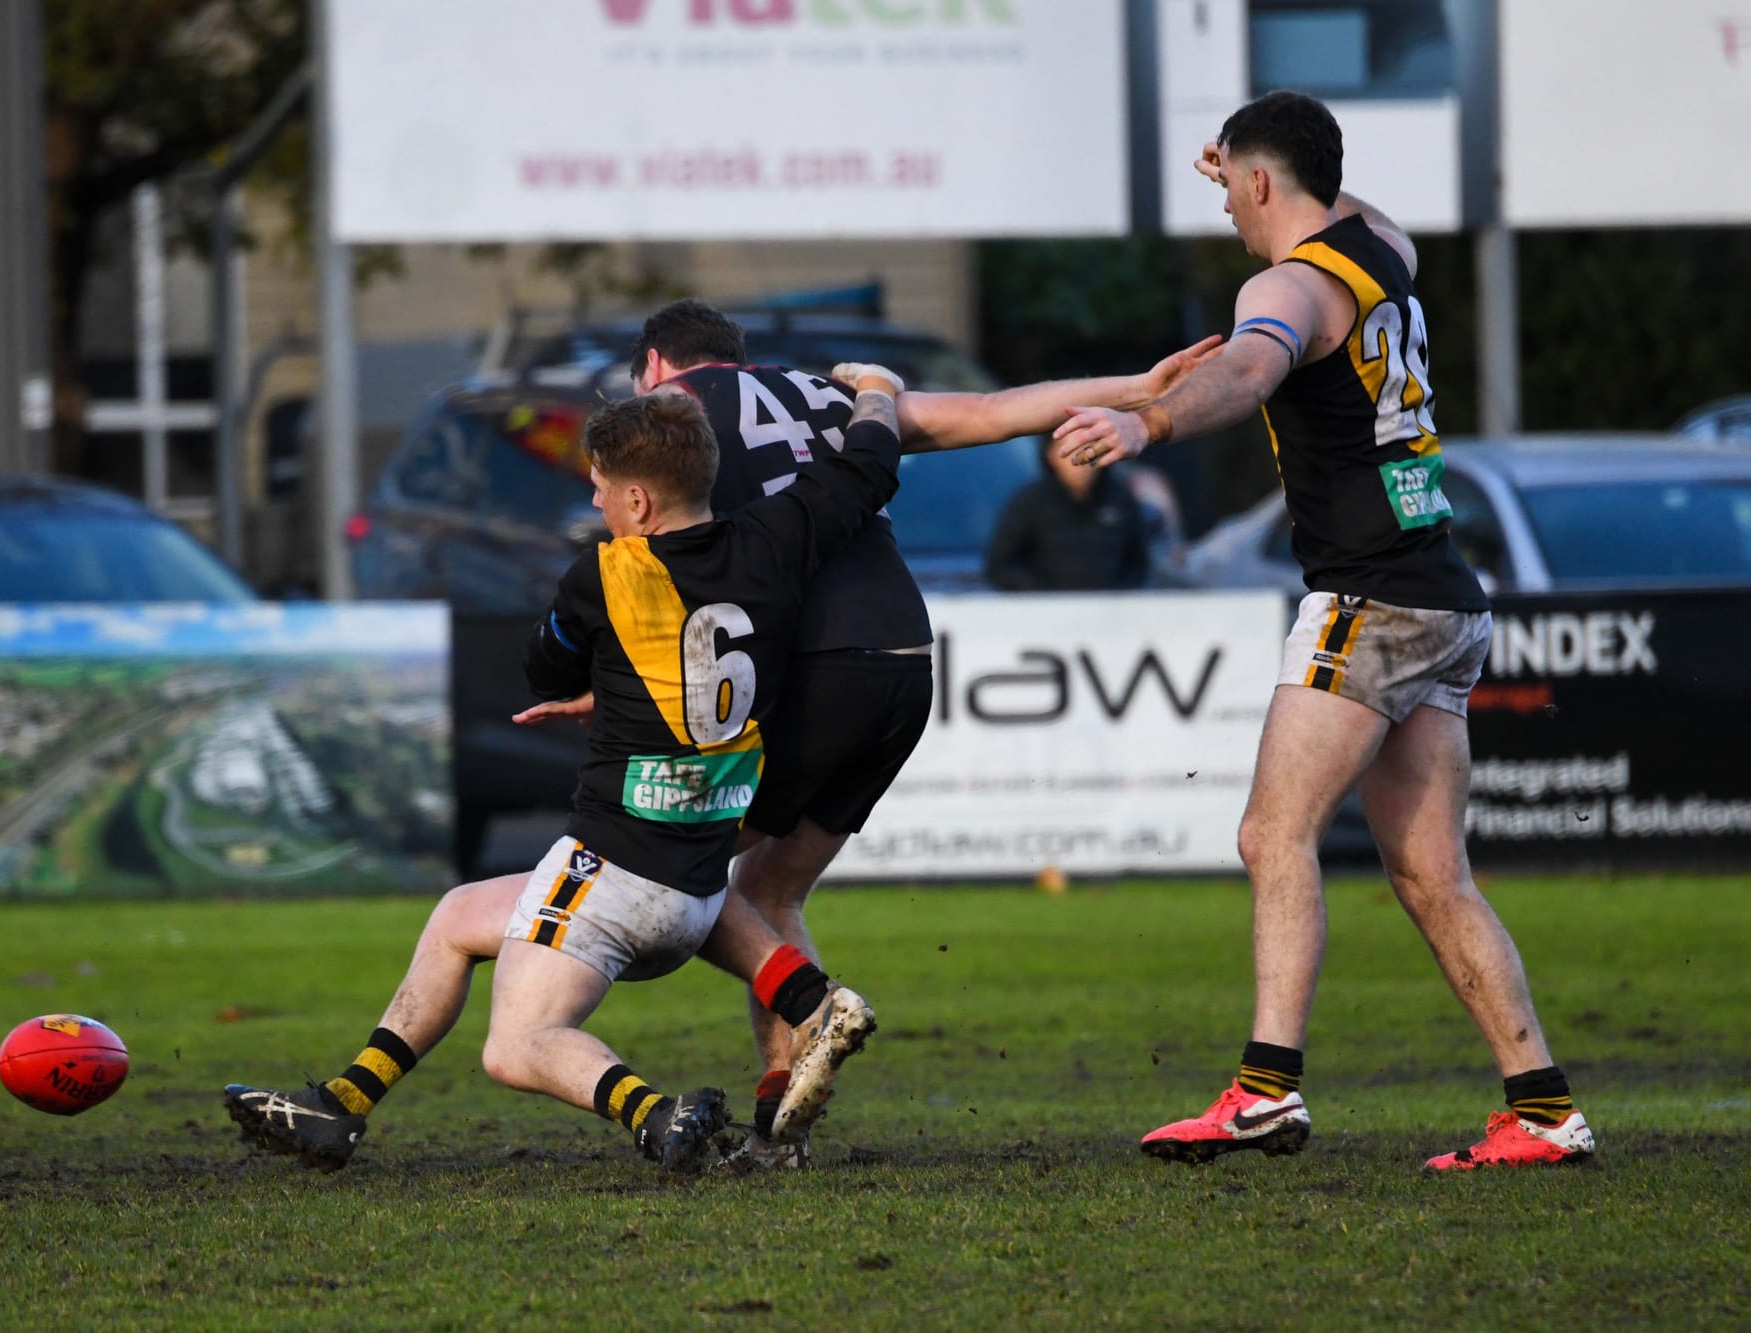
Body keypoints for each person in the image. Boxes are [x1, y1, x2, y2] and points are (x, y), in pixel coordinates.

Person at [1053, 91, 1592, 1170]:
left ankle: (1264, 1090)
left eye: (1236, 196)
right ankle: (1541, 1109)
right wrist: (1274, 170)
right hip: (1441, 590)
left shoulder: (1285, 284)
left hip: (1369, 596)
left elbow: (1249, 366)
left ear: (1257, 181)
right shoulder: (1379, 249)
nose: (1232, 220)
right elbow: (1336, 203)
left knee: (1269, 832)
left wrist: (1145, 417)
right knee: (1432, 871)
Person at [224, 377, 905, 1174]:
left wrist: (594, 675)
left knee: (515, 1046)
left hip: (613, 873)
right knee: (457, 917)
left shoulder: (603, 576)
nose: (594, 495)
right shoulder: (776, 539)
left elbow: (543, 667)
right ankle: (342, 1104)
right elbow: (868, 467)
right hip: (697, 882)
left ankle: (657, 1114)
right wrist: (878, 390)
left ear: (640, 502)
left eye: (602, 484)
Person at [625, 298, 1222, 1165]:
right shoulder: (832, 398)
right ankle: (776, 1123)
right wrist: (1137, 386)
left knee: (671, 857)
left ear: (654, 367)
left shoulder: (673, 419)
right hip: (903, 661)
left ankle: (805, 1006)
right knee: (768, 890)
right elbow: (991, 413)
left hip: (817, 668)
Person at [984, 437, 1152, 592]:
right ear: (1051, 455)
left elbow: (1138, 564)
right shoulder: (1030, 503)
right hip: (1045, 617)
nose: (1082, 461)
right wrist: (1041, 598)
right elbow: (1001, 565)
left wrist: (1118, 599)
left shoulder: (1120, 501)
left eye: (1090, 450)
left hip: (1109, 616)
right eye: (1070, 451)